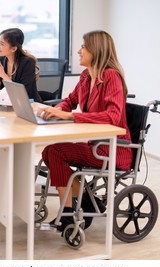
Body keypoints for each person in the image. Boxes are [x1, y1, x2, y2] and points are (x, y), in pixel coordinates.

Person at [37, 30, 133, 232]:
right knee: (48, 151)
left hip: (112, 150)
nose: (79, 51)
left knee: (56, 151)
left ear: (96, 50)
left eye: (83, 46)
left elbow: (113, 116)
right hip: (96, 145)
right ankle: (88, 200)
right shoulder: (86, 76)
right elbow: (69, 101)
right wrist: (56, 111)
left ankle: (67, 215)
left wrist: (70, 116)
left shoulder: (111, 76)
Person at [0, 27, 42, 103]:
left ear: (13, 49)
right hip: (10, 103)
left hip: (29, 104)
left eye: (2, 44)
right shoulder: (1, 59)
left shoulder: (28, 62)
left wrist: (3, 75)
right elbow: (1, 91)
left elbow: (21, 93)